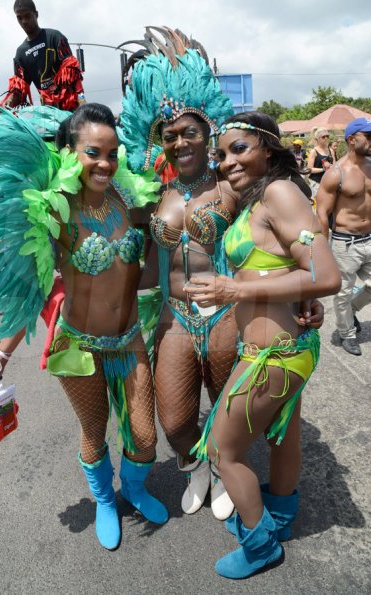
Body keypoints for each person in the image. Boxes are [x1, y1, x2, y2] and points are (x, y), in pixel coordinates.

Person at [118, 27, 324, 521]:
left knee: (234, 410)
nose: (181, 141)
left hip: (230, 310)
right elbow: (132, 256)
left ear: (207, 132)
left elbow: (273, 241)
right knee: (174, 419)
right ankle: (197, 465)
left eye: (191, 132)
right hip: (175, 315)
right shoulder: (151, 196)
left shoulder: (234, 185)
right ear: (158, 141)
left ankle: (224, 463)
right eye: (170, 136)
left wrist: (301, 294)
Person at [0, 103, 168, 550]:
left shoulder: (129, 198)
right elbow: (33, 289)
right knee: (94, 428)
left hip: (129, 338)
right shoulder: (56, 212)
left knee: (143, 433)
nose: (105, 163)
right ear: (68, 153)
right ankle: (104, 499)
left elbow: (173, 227)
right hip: (77, 345)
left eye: (113, 153)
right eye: (94, 152)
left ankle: (134, 489)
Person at [185, 111, 341, 579]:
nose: (227, 160)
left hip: (275, 355)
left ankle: (261, 545)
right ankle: (282, 518)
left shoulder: (278, 191)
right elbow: (296, 262)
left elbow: (325, 273)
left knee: (221, 449)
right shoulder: (260, 199)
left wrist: (237, 291)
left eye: (239, 149)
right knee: (283, 434)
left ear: (269, 149)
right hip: (282, 348)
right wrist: (303, 297)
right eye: (222, 153)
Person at [317, 117, 371, 356]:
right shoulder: (336, 173)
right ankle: (347, 333)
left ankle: (351, 310)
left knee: (353, 296)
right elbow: (322, 212)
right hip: (344, 243)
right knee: (342, 292)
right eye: (368, 137)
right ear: (352, 139)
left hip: (370, 238)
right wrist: (323, 250)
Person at [0, 0, 84, 112]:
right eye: (19, 18)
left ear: (36, 14)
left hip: (71, 108)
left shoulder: (55, 37)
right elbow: (19, 90)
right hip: (48, 113)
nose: (24, 21)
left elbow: (74, 75)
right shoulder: (20, 53)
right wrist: (7, 103)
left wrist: (82, 102)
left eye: (27, 16)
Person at [307, 127, 334, 199]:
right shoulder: (314, 151)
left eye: (327, 136)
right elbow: (309, 169)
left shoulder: (331, 150)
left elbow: (335, 165)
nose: (326, 138)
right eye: (323, 137)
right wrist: (323, 169)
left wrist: (332, 166)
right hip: (316, 182)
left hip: (329, 182)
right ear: (317, 139)